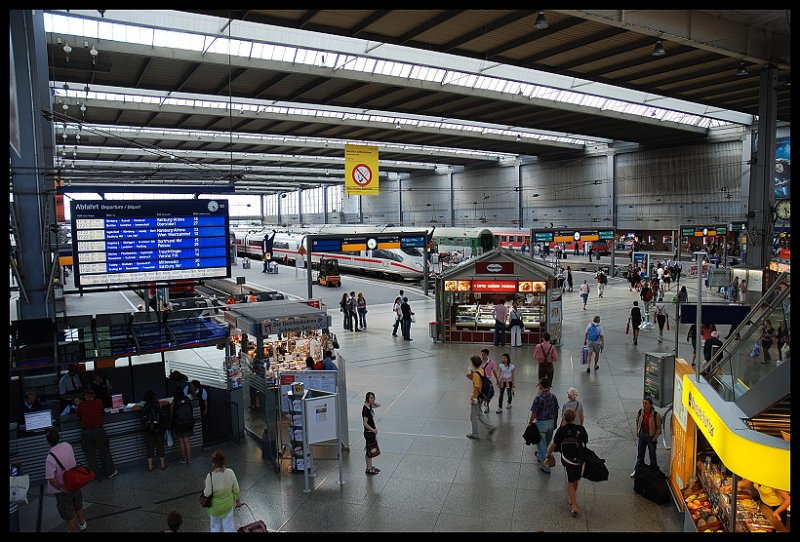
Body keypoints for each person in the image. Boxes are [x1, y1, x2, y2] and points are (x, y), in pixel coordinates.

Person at [547, 408, 589, 518]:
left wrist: (548, 454)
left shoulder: (561, 430)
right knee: (576, 479)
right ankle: (572, 497)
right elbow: (585, 441)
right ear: (574, 418)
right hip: (579, 459)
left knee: (570, 480)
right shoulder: (580, 429)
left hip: (567, 459)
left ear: (564, 418)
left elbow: (554, 444)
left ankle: (574, 505)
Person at [45, 429, 88, 532]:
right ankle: (83, 524)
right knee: (78, 504)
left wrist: (61, 488)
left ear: (47, 442)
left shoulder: (50, 458)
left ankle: (72, 530)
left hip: (63, 490)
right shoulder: (67, 445)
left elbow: (51, 479)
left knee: (69, 514)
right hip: (74, 482)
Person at [75, 388, 118, 479]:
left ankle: (95, 475)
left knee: (90, 455)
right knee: (104, 452)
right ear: (94, 396)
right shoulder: (99, 402)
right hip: (99, 431)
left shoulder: (81, 405)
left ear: (85, 397)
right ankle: (109, 472)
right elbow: (102, 412)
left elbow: (78, 415)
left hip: (86, 432)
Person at [202, 450, 241, 532]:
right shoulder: (230, 472)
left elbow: (207, 493)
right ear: (223, 462)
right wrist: (238, 500)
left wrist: (206, 484)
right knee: (229, 526)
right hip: (228, 505)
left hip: (215, 507)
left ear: (213, 463)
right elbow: (236, 489)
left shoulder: (210, 476)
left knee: (215, 527)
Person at [723, 479, 790, 524]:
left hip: (777, 509)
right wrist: (729, 486)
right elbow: (745, 482)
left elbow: (788, 499)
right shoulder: (757, 476)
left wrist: (777, 512)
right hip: (765, 506)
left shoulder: (772, 482)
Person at [529, 377, 559, 474]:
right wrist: (555, 422)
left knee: (541, 446)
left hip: (541, 424)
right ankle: (540, 455)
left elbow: (535, 413)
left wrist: (530, 422)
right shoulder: (553, 397)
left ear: (541, 386)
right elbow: (556, 410)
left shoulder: (538, 398)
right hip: (551, 423)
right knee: (546, 443)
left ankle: (546, 467)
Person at [466, 355, 496, 440]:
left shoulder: (476, 374)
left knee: (473, 416)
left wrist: (473, 397)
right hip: (482, 395)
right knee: (479, 413)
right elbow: (473, 378)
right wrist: (470, 373)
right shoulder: (481, 370)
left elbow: (476, 386)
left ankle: (475, 434)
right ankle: (490, 427)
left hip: (477, 397)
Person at [631, 396, 662, 477]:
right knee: (640, 455)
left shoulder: (655, 415)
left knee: (652, 455)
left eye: (646, 403)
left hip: (651, 437)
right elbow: (637, 421)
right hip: (642, 436)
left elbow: (659, 428)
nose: (644, 405)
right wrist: (638, 431)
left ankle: (654, 472)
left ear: (650, 405)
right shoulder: (641, 412)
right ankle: (637, 470)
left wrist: (654, 437)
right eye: (643, 403)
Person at [139, 389, 168, 471]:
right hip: (159, 428)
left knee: (150, 448)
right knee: (160, 446)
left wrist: (141, 404)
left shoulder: (144, 405)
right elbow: (167, 402)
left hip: (149, 430)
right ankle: (162, 465)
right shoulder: (158, 403)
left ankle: (150, 466)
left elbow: (134, 408)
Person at [171, 388, 194, 464]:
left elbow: (172, 414)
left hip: (179, 424)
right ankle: (190, 460)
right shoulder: (187, 399)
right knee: (187, 441)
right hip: (188, 422)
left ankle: (184, 459)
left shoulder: (175, 401)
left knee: (181, 441)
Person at [362, 392, 381, 475]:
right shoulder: (366, 410)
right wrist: (373, 430)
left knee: (369, 450)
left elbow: (378, 405)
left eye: (373, 398)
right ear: (367, 399)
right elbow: (365, 423)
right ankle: (369, 468)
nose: (372, 399)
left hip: (371, 433)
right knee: (370, 451)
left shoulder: (368, 406)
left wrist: (372, 402)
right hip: (369, 433)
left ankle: (370, 466)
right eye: (371, 398)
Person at [479, 349, 498, 414]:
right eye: (482, 354)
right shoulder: (479, 362)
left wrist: (497, 380)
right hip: (480, 380)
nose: (482, 356)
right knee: (480, 394)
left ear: (487, 355)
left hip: (488, 381)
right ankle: (480, 407)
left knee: (488, 395)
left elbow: (494, 371)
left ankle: (487, 405)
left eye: (484, 354)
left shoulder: (491, 362)